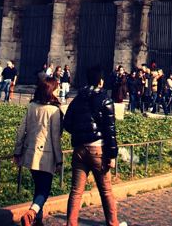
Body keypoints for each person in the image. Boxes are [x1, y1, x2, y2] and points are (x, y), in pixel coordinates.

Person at [63, 65, 126, 226]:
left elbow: (67, 123)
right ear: (100, 81)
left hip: (79, 149)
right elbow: (110, 131)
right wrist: (112, 155)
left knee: (76, 191)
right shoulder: (105, 100)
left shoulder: (78, 99)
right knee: (106, 191)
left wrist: (80, 133)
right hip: (98, 150)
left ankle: (71, 223)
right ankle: (113, 223)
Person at [13, 77, 64, 226]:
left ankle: (37, 220)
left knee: (38, 186)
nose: (59, 90)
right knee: (45, 190)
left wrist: (17, 151)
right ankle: (32, 213)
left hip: (30, 152)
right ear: (51, 90)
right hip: (46, 155)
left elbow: (21, 130)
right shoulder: (54, 110)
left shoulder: (31, 106)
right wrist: (59, 159)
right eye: (57, 87)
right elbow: (55, 138)